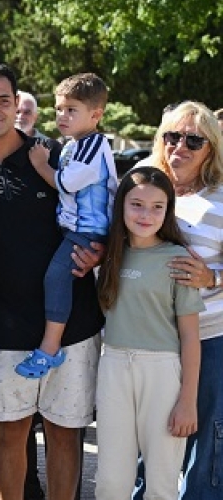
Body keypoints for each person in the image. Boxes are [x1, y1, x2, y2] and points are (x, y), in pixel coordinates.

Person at [0, 61, 103, 500]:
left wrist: (99, 249)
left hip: (72, 323)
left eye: (3, 100)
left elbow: (107, 211)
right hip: (4, 327)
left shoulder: (53, 156)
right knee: (9, 433)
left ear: (17, 103)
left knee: (65, 434)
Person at [94, 167, 203, 499]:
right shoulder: (108, 254)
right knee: (111, 480)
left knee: (161, 480)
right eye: (137, 204)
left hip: (162, 373)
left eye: (158, 207)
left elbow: (189, 336)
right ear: (121, 206)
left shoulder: (178, 258)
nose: (146, 214)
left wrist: (187, 401)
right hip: (112, 368)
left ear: (168, 210)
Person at [135, 101, 223, 500]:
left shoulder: (221, 198)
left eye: (193, 140)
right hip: (150, 341)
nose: (180, 147)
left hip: (210, 340)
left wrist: (213, 276)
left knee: (206, 449)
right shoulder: (143, 190)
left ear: (211, 148)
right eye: (172, 136)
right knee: (149, 445)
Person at [16, 73, 117, 378]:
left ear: (96, 115)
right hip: (76, 229)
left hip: (88, 231)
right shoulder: (76, 143)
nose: (62, 115)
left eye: (71, 109)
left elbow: (68, 182)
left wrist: (40, 164)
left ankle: (50, 348)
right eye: (59, 109)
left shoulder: (92, 143)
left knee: (56, 278)